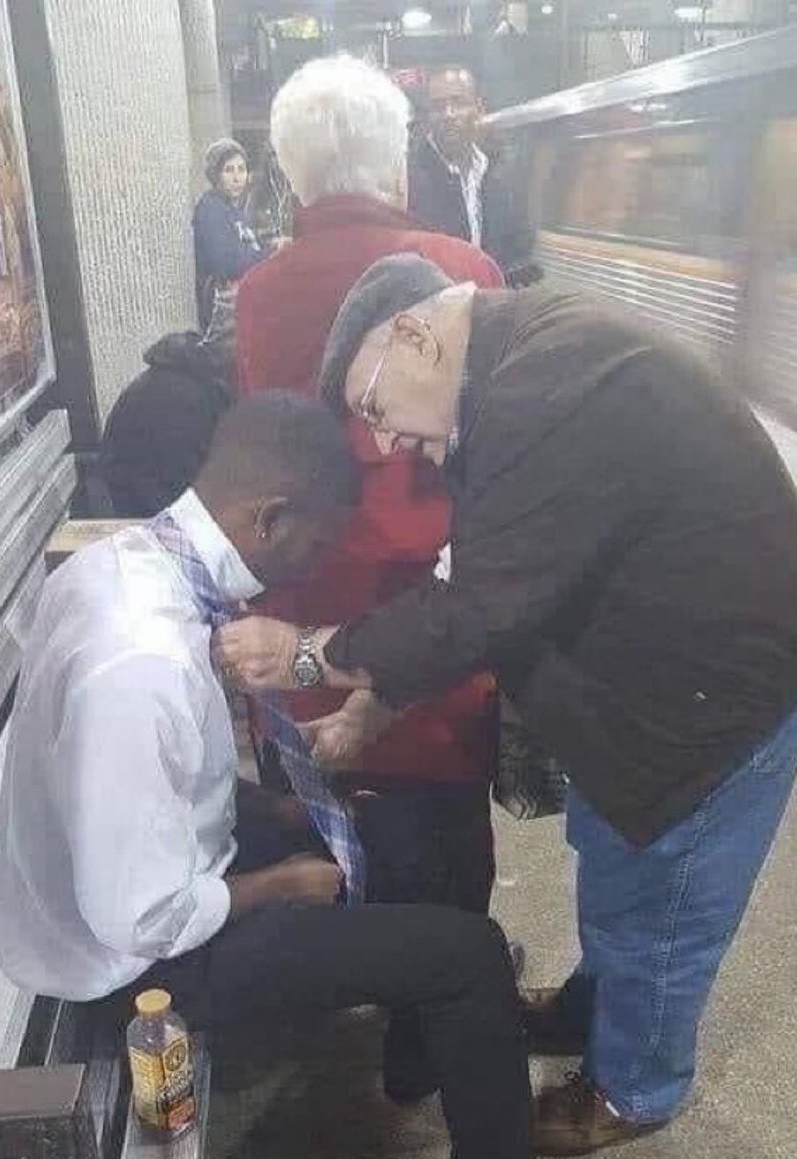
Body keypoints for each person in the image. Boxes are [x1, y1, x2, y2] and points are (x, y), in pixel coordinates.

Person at [216, 255, 797, 1158]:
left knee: (665, 893)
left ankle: (635, 1087)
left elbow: (482, 606)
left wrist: (311, 651)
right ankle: (597, 1002)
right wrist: (372, 707)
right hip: (646, 672)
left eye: (376, 411)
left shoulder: (549, 387)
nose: (385, 444)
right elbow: (481, 579)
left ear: (417, 336)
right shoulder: (513, 372)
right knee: (611, 849)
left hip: (720, 689)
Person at [0, 394, 538, 1159]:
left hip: (153, 876)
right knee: (472, 954)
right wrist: (279, 885)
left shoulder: (130, 562)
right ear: (271, 518)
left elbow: (158, 783)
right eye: (319, 539)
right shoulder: (141, 666)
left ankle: (425, 1041)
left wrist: (274, 809)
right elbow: (136, 918)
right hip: (136, 970)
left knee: (389, 832)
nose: (320, 563)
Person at [236, 56, 505, 1102]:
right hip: (432, 612)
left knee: (336, 816)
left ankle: (347, 987)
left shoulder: (259, 291)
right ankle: (424, 1041)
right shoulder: (464, 264)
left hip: (304, 623)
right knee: (445, 833)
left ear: (294, 173)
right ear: (394, 159)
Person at [408, 67, 535, 283]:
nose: (448, 114)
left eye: (458, 103)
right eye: (438, 107)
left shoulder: (500, 175)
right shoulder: (411, 179)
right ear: (428, 116)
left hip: (494, 306)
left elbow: (518, 250)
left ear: (478, 107)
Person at [100, 330, 234, 517]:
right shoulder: (187, 399)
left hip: (134, 497)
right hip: (154, 506)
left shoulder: (171, 381)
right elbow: (184, 484)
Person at [193, 137, 269, 328]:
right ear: (216, 174)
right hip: (222, 315)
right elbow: (226, 262)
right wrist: (269, 255)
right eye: (228, 170)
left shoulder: (234, 210)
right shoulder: (210, 208)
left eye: (241, 170)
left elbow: (246, 248)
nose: (237, 178)